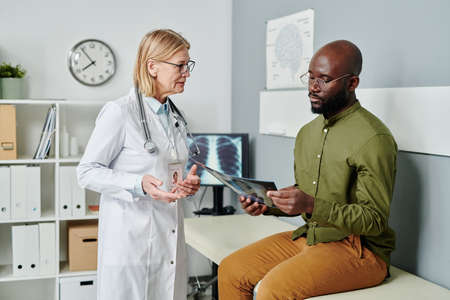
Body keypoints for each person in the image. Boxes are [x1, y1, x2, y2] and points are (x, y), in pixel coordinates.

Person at [218, 40, 398, 299]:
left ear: (352, 83)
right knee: (231, 270)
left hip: (359, 250)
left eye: (324, 79)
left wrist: (312, 205)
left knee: (272, 291)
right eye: (311, 77)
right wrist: (267, 205)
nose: (313, 87)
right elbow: (307, 196)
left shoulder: (373, 138)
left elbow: (375, 220)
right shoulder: (307, 134)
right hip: (312, 236)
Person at [77, 29, 201, 300]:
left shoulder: (175, 117)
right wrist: (137, 184)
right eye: (180, 65)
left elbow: (168, 171)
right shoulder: (119, 112)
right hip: (130, 240)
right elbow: (86, 172)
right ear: (152, 66)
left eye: (188, 65)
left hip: (169, 236)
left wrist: (185, 185)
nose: (187, 72)